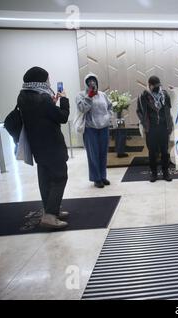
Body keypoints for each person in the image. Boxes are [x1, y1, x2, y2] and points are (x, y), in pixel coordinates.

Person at [18, 66, 70, 229]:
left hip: (37, 146)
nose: (49, 82)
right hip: (52, 146)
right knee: (60, 177)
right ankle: (50, 215)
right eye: (47, 79)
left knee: (45, 179)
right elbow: (62, 117)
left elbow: (41, 115)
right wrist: (64, 100)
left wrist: (52, 103)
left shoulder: (24, 96)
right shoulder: (43, 98)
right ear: (40, 80)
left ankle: (50, 210)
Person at [76, 74, 112, 188]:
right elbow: (82, 109)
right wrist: (89, 96)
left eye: (94, 80)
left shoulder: (102, 94)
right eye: (89, 81)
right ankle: (96, 178)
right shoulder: (80, 95)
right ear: (86, 83)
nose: (92, 83)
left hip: (104, 127)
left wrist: (108, 117)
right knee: (93, 154)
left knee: (103, 153)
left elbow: (110, 106)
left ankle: (103, 176)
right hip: (90, 128)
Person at [137, 76, 174, 182]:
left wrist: (169, 125)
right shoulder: (144, 95)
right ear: (150, 85)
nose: (158, 88)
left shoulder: (165, 94)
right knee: (152, 152)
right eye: (156, 86)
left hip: (163, 127)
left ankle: (166, 173)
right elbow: (139, 111)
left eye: (159, 86)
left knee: (164, 151)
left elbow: (168, 110)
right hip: (151, 128)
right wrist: (145, 123)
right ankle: (154, 174)